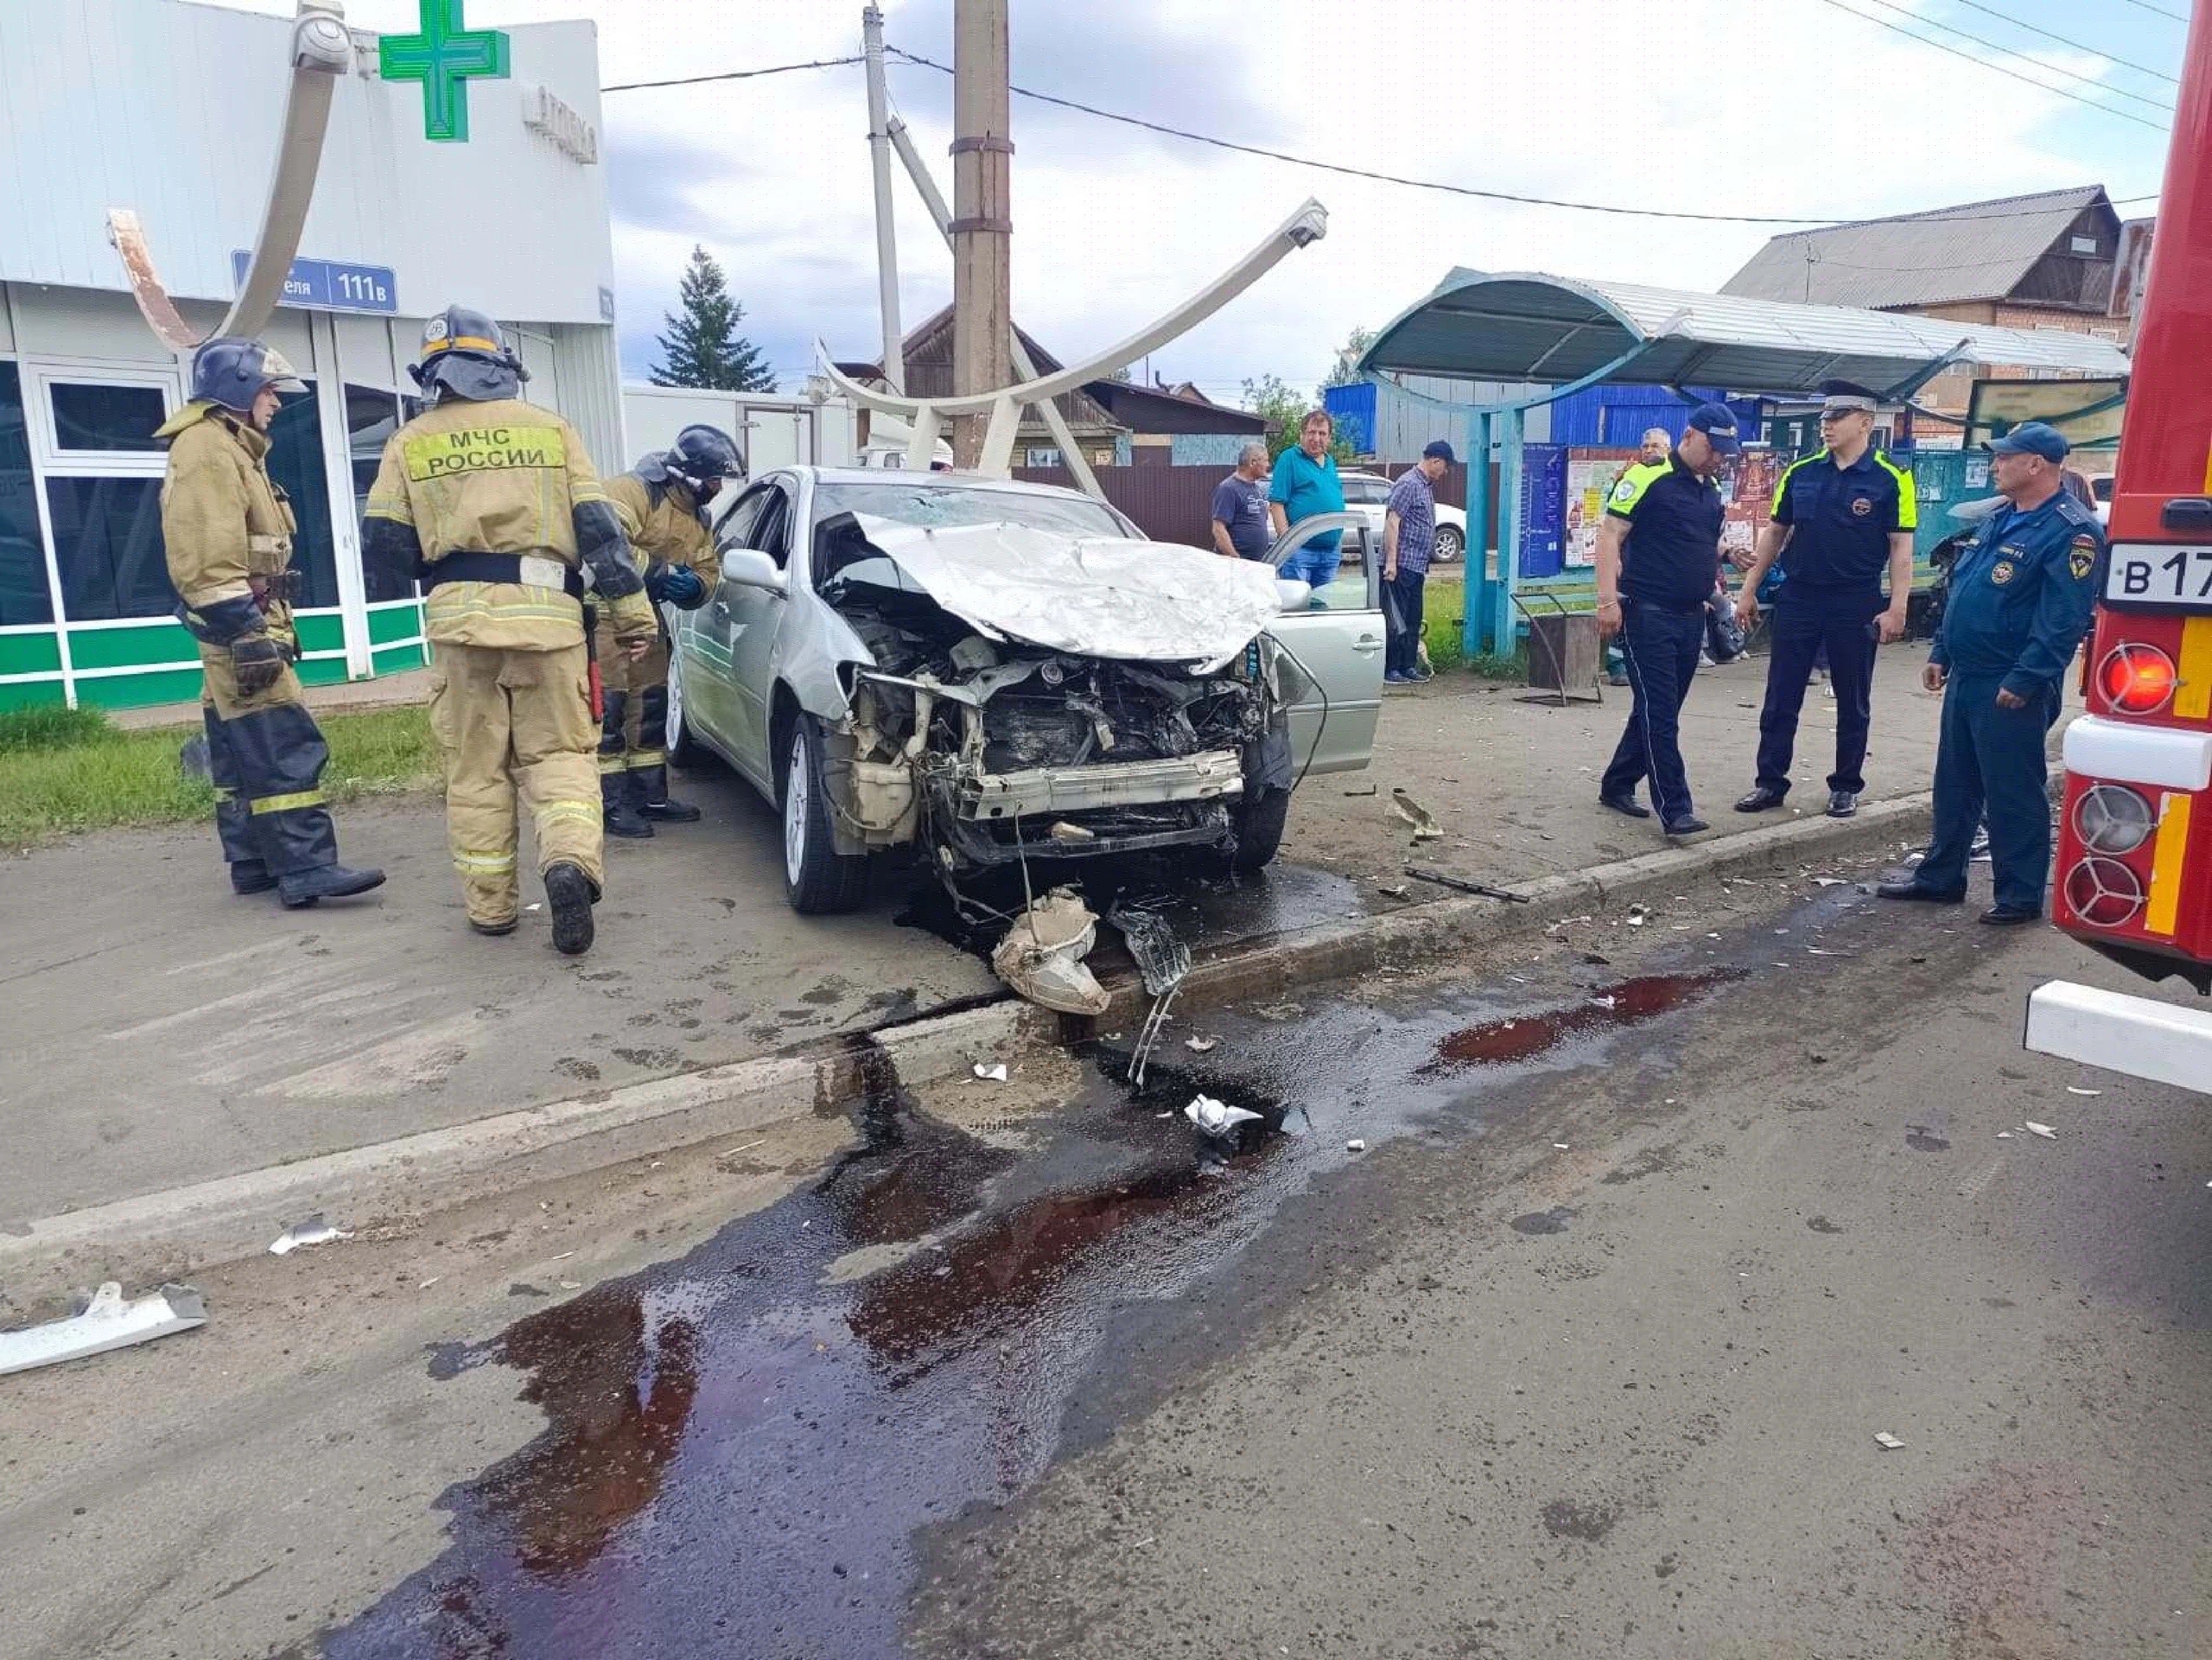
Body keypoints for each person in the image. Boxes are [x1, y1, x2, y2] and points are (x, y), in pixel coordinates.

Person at [362, 306, 658, 954]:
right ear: (499, 368)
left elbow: (384, 549)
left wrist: (449, 567)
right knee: (559, 759)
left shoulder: (408, 443)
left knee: (476, 770)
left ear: (436, 375)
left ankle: (492, 909)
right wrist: (634, 617)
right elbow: (602, 535)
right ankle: (569, 865)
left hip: (461, 628)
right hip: (550, 624)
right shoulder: (552, 431)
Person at [159, 337, 385, 908]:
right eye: (267, 390)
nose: (276, 402)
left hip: (245, 622)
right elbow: (208, 556)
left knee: (239, 752)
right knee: (284, 742)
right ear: (236, 390)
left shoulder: (234, 449)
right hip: (240, 626)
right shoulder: (208, 450)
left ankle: (254, 863)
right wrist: (244, 633)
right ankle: (307, 866)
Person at [1878, 422, 2101, 925]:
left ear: (2035, 464)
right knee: (1954, 782)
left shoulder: (2071, 530)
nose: (1995, 466)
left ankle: (2020, 895)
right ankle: (1940, 877)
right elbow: (1966, 588)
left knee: (2012, 789)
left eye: (2004, 458)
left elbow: (2063, 619)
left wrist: (2026, 679)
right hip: (1969, 674)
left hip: (2010, 680)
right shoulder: (2004, 516)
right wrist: (1941, 650)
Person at [1731, 380, 1916, 820]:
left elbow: (1900, 547)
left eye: (1837, 418)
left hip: (1856, 600)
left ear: (1865, 423)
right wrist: (1748, 589)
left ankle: (1846, 786)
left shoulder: (1891, 478)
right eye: (1824, 418)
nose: (1826, 426)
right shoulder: (1802, 473)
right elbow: (1774, 534)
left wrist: (1898, 608)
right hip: (1800, 596)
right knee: (1781, 694)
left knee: (1852, 695)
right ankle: (1769, 782)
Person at [1593, 404, 1742, 837]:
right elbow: (1609, 534)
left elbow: (1698, 541)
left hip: (1690, 616)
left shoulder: (1709, 488)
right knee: (1661, 714)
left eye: (1725, 451)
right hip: (1647, 615)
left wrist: (1728, 554)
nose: (1720, 458)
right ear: (1691, 435)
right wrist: (1606, 601)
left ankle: (1617, 784)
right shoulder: (1647, 477)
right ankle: (1676, 810)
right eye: (1714, 448)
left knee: (1658, 709)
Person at [596, 424, 739, 837]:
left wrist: (696, 586)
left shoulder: (699, 516)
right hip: (605, 614)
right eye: (713, 479)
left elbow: (707, 568)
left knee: (650, 704)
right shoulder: (631, 491)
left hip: (648, 616)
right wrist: (659, 573)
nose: (717, 488)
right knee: (612, 710)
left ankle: (649, 796)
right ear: (688, 474)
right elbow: (606, 544)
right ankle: (612, 805)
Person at [1382, 440, 1453, 684]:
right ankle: (1391, 668)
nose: (1444, 473)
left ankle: (1408, 665)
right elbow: (1393, 521)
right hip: (1402, 563)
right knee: (1397, 617)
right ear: (1435, 460)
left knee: (1413, 617)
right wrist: (1391, 562)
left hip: (1417, 564)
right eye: (1444, 467)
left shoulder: (1425, 485)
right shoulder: (1409, 483)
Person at [1267, 410, 1346, 593]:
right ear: (1302, 434)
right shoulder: (1289, 458)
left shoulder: (1330, 462)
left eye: (1322, 434)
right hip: (1300, 552)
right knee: (1298, 607)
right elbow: (1276, 504)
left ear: (1329, 438)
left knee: (1322, 606)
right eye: (1311, 432)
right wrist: (1288, 545)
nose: (1316, 438)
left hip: (1330, 551)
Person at [1209, 441, 1274, 561]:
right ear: (1253, 462)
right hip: (1236, 567)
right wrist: (1235, 559)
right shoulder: (1228, 488)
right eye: (1265, 460)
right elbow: (1218, 528)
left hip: (1254, 565)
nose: (1268, 465)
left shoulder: (1256, 488)